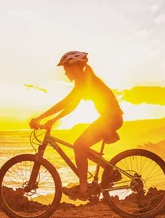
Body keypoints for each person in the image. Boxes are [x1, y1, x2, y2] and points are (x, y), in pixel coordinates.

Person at [29, 51, 123, 200]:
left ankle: (84, 189)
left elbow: (68, 103)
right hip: (109, 118)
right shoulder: (83, 80)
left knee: (78, 146)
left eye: (66, 69)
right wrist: (50, 120)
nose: (65, 73)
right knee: (81, 147)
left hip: (110, 119)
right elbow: (70, 104)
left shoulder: (86, 81)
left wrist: (43, 118)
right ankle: (110, 171)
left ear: (75, 67)